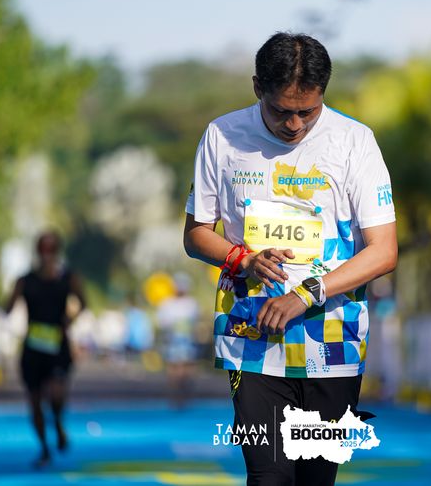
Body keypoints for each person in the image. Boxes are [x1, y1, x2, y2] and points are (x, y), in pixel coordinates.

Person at [183, 32, 397, 485]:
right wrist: (242, 259)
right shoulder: (222, 136)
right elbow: (196, 235)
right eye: (281, 111)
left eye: (308, 112)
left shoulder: (355, 142)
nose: (295, 125)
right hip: (251, 338)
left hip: (332, 342)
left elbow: (383, 250)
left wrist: (305, 294)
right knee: (269, 478)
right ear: (257, 87)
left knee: (314, 480)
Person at [4, 231, 86, 468]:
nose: (47, 254)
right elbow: (8, 308)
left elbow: (83, 303)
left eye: (51, 249)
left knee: (57, 395)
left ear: (57, 251)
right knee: (35, 402)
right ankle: (44, 449)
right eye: (43, 249)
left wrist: (69, 320)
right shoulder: (25, 280)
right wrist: (10, 301)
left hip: (58, 346)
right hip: (33, 348)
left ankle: (58, 422)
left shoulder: (69, 278)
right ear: (38, 251)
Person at [156, 272, 200, 405]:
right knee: (174, 369)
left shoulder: (191, 303)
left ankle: (186, 395)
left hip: (187, 341)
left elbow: (195, 323)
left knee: (187, 368)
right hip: (172, 341)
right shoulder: (167, 303)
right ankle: (175, 396)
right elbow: (162, 323)